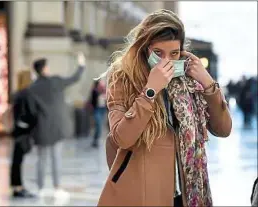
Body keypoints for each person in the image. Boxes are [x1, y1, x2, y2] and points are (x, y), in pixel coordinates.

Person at [98, 9, 232, 207]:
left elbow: (223, 129)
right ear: (145, 49)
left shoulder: (189, 81)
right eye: (158, 53)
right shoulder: (124, 79)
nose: (166, 61)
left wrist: (208, 83)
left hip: (187, 196)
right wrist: (150, 90)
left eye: (174, 53)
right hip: (144, 194)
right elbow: (121, 138)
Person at [28, 53, 85, 202]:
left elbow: (30, 110)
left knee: (41, 160)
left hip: (40, 129)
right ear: (45, 69)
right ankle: (57, 188)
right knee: (56, 158)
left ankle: (40, 189)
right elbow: (75, 78)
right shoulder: (55, 81)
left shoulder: (32, 88)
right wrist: (81, 65)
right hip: (56, 128)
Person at [10, 70, 36, 198]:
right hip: (23, 132)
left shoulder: (17, 94)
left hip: (17, 131)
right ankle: (18, 188)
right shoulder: (27, 94)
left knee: (16, 160)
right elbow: (30, 114)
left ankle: (16, 186)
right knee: (18, 160)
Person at [90, 79, 107, 148]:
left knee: (99, 125)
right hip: (97, 110)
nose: (102, 84)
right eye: (100, 83)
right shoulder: (94, 91)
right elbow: (93, 101)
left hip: (102, 109)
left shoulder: (104, 91)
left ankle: (96, 140)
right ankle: (95, 140)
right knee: (98, 125)